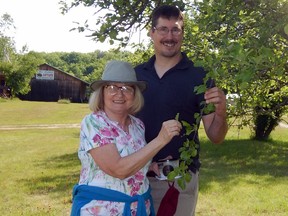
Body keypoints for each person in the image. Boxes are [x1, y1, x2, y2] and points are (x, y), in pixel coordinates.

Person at [135, 5, 228, 216]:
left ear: (183, 33)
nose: (170, 36)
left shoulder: (199, 77)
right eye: (163, 29)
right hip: (136, 178)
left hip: (178, 181)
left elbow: (216, 136)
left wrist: (221, 110)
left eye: (176, 30)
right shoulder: (136, 76)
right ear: (152, 33)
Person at [70, 60, 182, 216]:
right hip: (102, 210)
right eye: (112, 87)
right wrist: (160, 140)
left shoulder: (137, 125)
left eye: (126, 88)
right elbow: (118, 169)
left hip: (140, 208)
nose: (119, 94)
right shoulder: (94, 122)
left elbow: (132, 159)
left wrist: (150, 166)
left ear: (134, 94)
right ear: (102, 92)